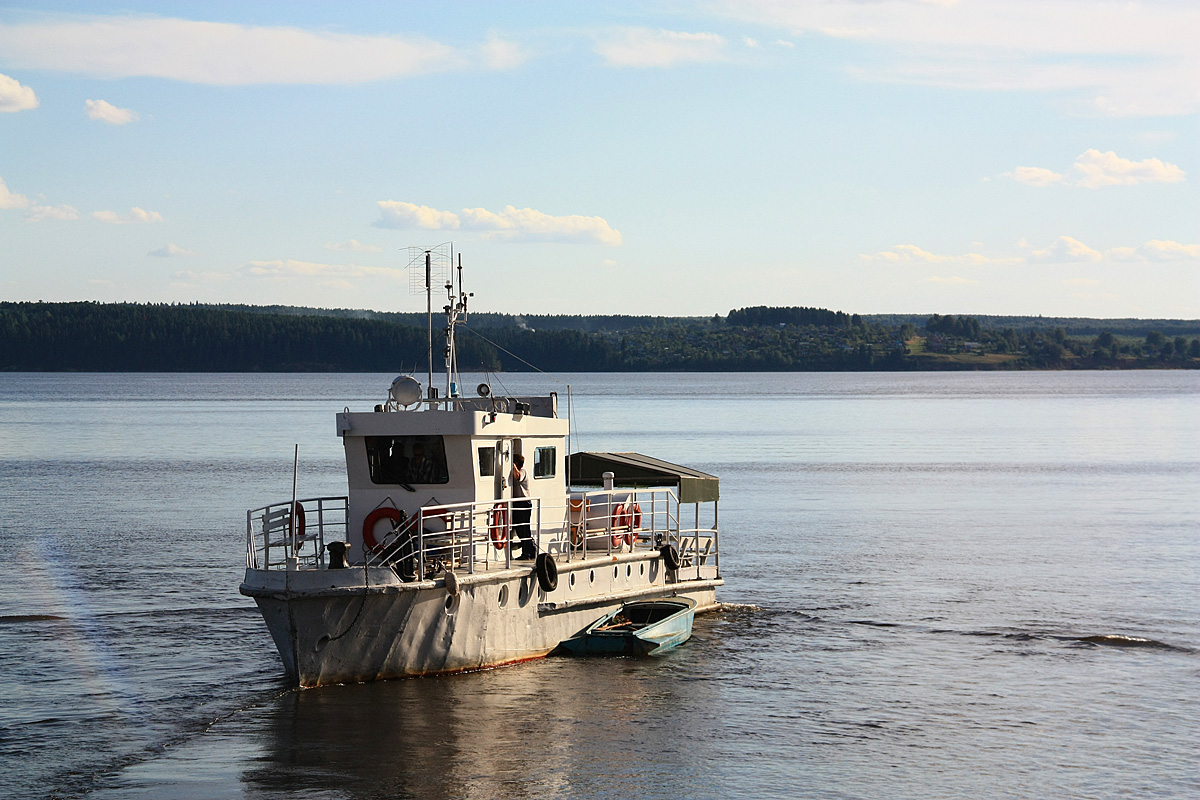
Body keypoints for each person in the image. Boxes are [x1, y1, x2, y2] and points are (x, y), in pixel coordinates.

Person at [511, 453, 535, 560]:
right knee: (519, 528)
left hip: (524, 503)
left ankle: (528, 552)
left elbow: (518, 476)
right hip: (517, 503)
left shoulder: (523, 472)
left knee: (524, 529)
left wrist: (511, 465)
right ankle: (528, 550)